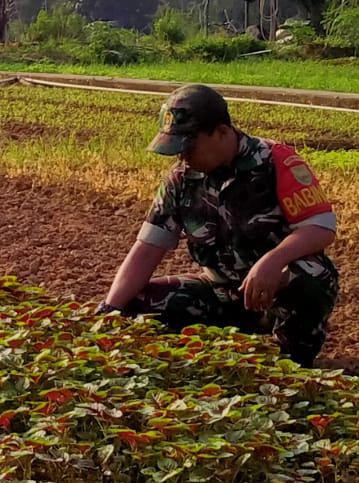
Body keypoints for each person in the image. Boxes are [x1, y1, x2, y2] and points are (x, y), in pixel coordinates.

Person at [99, 84, 339, 367]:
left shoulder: (276, 161)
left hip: (275, 291)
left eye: (189, 146)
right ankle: (209, 356)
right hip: (220, 293)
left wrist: (272, 261)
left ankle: (292, 356)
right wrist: (109, 310)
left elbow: (321, 227)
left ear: (223, 132)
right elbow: (148, 247)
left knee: (313, 279)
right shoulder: (180, 179)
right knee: (134, 300)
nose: (182, 156)